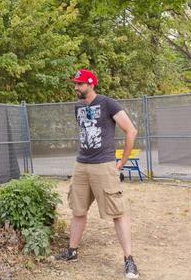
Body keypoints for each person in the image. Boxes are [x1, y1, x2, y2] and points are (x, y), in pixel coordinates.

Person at [56, 69, 140, 279]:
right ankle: (72, 251)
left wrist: (122, 161)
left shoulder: (108, 103)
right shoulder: (78, 107)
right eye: (75, 84)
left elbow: (131, 130)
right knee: (78, 209)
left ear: (91, 84)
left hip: (104, 165)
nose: (76, 88)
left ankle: (129, 259)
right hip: (81, 164)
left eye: (80, 84)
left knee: (117, 212)